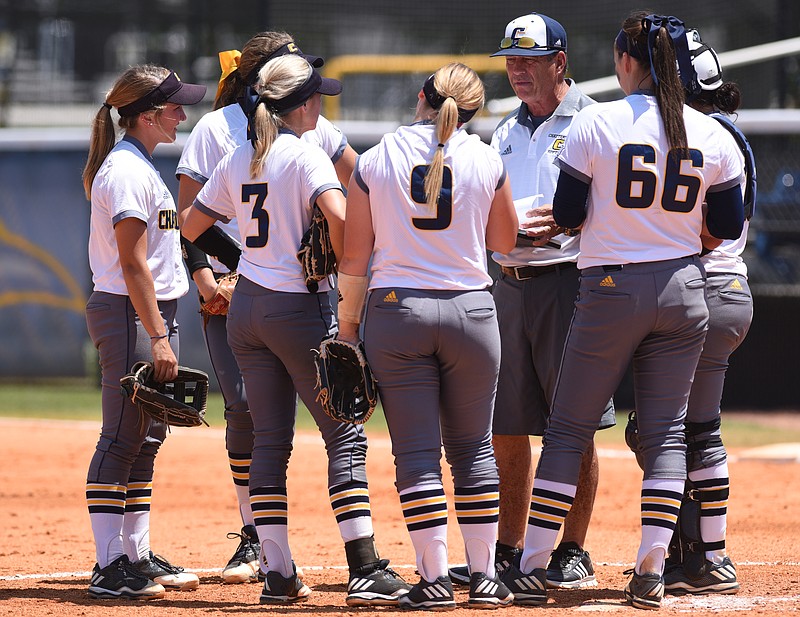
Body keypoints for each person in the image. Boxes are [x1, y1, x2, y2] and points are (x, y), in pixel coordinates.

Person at [500, 12, 745, 610]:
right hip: (685, 286)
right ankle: (650, 568)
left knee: (567, 426)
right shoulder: (710, 131)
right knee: (665, 433)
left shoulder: (597, 121)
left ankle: (533, 563)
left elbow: (570, 209)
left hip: (609, 285)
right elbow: (728, 227)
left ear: (625, 62)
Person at [181, 54, 409, 607]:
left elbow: (189, 224)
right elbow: (338, 217)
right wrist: (351, 254)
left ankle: (278, 574)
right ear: (304, 104)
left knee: (269, 439)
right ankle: (364, 567)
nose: (323, 104)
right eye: (319, 97)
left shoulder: (241, 155)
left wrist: (241, 255)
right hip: (299, 309)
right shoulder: (306, 158)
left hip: (248, 308)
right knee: (345, 432)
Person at [336, 62, 519, 610]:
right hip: (472, 311)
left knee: (417, 454)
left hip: (398, 311)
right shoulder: (487, 158)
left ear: (421, 97)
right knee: (474, 448)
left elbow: (354, 256)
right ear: (474, 113)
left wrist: (346, 329)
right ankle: (485, 577)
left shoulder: (377, 157)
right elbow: (506, 240)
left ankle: (435, 580)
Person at [449, 12, 616, 591]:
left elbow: (617, 205)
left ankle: (572, 548)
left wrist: (567, 228)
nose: (517, 71)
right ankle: (508, 547)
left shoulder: (594, 120)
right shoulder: (505, 129)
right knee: (507, 425)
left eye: (529, 59)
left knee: (573, 424)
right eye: (510, 60)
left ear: (559, 62)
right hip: (507, 284)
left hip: (568, 282)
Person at [82, 65, 207, 599]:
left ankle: (136, 553)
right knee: (122, 434)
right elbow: (133, 266)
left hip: (150, 312)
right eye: (174, 106)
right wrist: (156, 335)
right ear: (148, 115)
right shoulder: (127, 172)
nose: (182, 113)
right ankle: (109, 565)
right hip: (131, 312)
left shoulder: (143, 166)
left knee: (149, 435)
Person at [658, 29, 755, 596]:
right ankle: (700, 550)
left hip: (698, 290)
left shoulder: (700, 134)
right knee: (698, 426)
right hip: (734, 292)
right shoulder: (731, 132)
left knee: (664, 430)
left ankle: (702, 556)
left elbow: (705, 230)